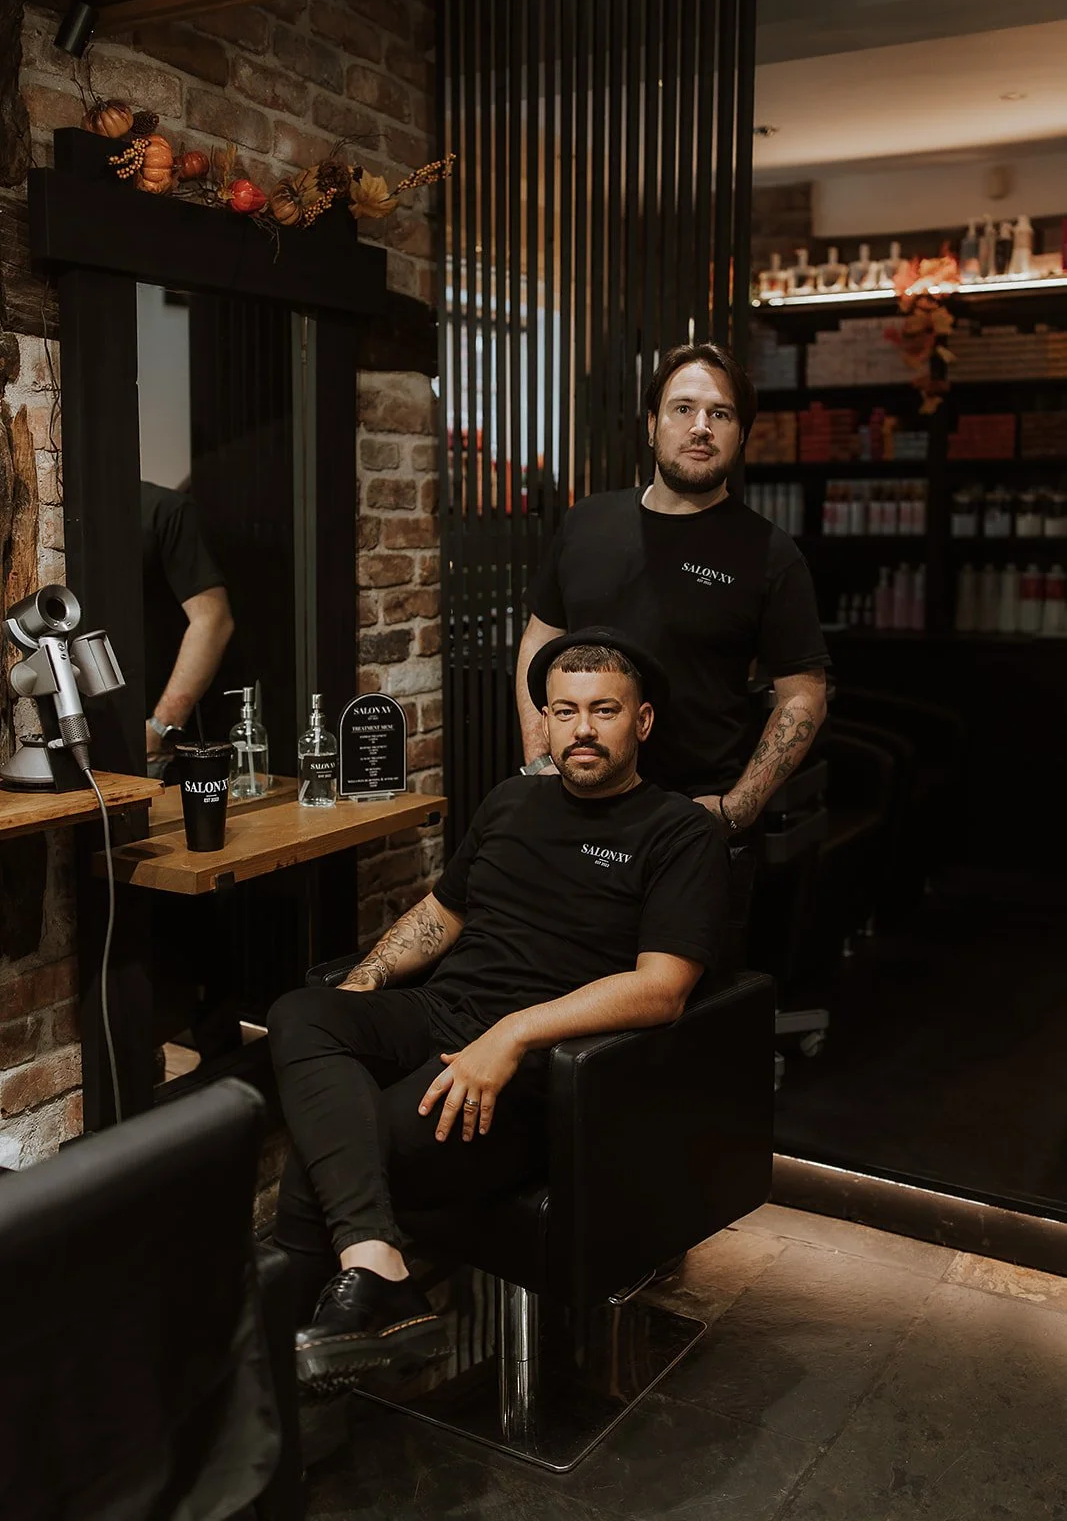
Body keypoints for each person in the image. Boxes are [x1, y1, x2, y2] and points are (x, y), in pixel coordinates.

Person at [267, 630, 729, 1391]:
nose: (581, 729)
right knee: (302, 1012)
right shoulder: (511, 799)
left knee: (345, 1143)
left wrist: (512, 1032)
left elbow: (662, 987)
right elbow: (442, 916)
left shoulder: (678, 831)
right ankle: (373, 1269)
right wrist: (363, 983)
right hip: (442, 1011)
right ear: (542, 721)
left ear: (640, 723)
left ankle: (295, 1348)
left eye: (603, 710)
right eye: (564, 710)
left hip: (548, 1069)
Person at [516, 341, 829, 839]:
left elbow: (804, 696)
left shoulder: (770, 552)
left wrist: (736, 807)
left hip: (692, 822)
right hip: (576, 812)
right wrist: (540, 761)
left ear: (741, 435)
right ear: (650, 425)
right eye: (683, 408)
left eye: (720, 414)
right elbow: (539, 639)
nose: (700, 426)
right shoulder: (586, 523)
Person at [140, 480, 235, 776]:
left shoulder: (164, 509)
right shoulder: (68, 516)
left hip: (154, 750)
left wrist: (159, 727)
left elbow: (213, 621)